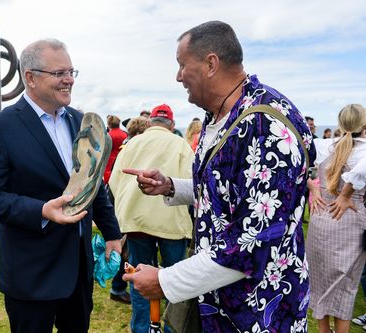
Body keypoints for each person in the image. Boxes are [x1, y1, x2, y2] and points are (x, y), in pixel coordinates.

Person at [122, 21, 316, 332]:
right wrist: (171, 186)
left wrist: (165, 280)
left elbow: (252, 240)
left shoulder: (264, 125)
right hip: (219, 302)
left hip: (257, 310)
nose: (178, 76)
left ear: (211, 63)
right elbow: (230, 192)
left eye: (182, 65)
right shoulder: (222, 115)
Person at [0, 38, 122, 333]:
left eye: (71, 72)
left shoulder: (81, 121)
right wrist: (41, 210)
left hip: (78, 270)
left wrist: (112, 232)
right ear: (31, 77)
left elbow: (93, 184)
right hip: (31, 273)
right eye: (59, 73)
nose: (68, 80)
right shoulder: (0, 128)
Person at [109, 103, 194, 333]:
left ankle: (141, 329)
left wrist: (129, 207)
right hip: (172, 224)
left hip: (137, 222)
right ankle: (170, 329)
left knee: (139, 280)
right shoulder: (181, 145)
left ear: (151, 122)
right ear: (172, 124)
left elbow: (115, 182)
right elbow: (193, 183)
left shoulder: (132, 143)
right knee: (175, 281)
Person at [306, 104, 366, 333]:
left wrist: (312, 186)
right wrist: (345, 194)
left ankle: (323, 331)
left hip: (321, 219)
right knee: (346, 285)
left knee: (321, 280)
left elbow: (295, 160)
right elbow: (361, 172)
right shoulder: (363, 151)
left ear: (340, 123)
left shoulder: (323, 146)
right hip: (349, 219)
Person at [109, 116, 150, 305]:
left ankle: (117, 286)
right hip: (131, 205)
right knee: (126, 250)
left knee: (125, 248)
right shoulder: (136, 147)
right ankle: (118, 287)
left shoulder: (127, 144)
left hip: (122, 201)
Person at [104, 115, 128, 184]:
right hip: (122, 159)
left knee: (109, 181)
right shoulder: (125, 134)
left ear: (109, 124)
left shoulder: (108, 135)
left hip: (109, 161)